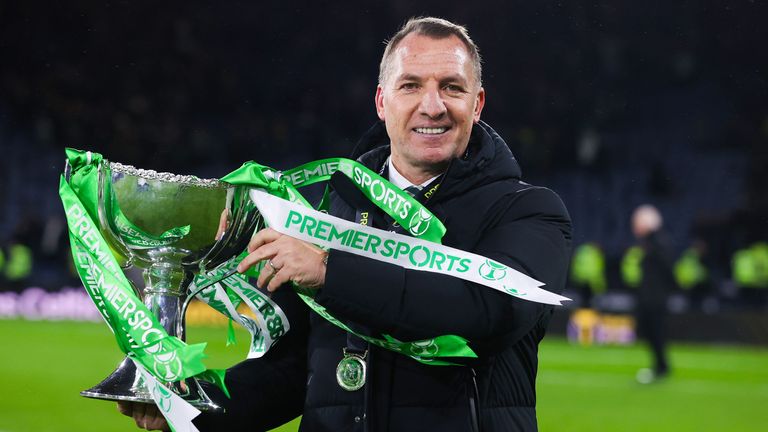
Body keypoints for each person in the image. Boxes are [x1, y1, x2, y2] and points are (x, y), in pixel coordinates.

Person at [120, 17, 572, 431]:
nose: (431, 106)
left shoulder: (528, 211)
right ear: (381, 101)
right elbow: (301, 368)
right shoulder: (328, 209)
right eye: (410, 86)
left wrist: (328, 271)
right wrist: (187, 411)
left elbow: (485, 312)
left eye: (452, 88)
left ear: (477, 104)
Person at [630, 204, 675, 384]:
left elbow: (667, 269)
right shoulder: (653, 243)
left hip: (654, 298)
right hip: (651, 297)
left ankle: (661, 367)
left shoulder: (656, 243)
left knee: (655, 333)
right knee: (651, 333)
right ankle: (660, 365)